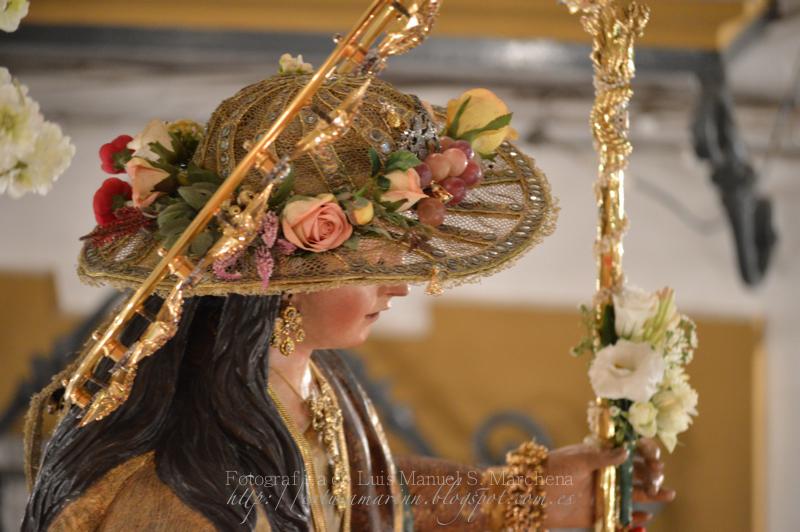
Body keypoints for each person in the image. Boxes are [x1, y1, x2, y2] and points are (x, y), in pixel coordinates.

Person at [22, 62, 674, 531]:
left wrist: (534, 495)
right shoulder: (180, 494)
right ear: (284, 280)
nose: (398, 287)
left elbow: (374, 498)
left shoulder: (318, 392)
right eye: (373, 265)